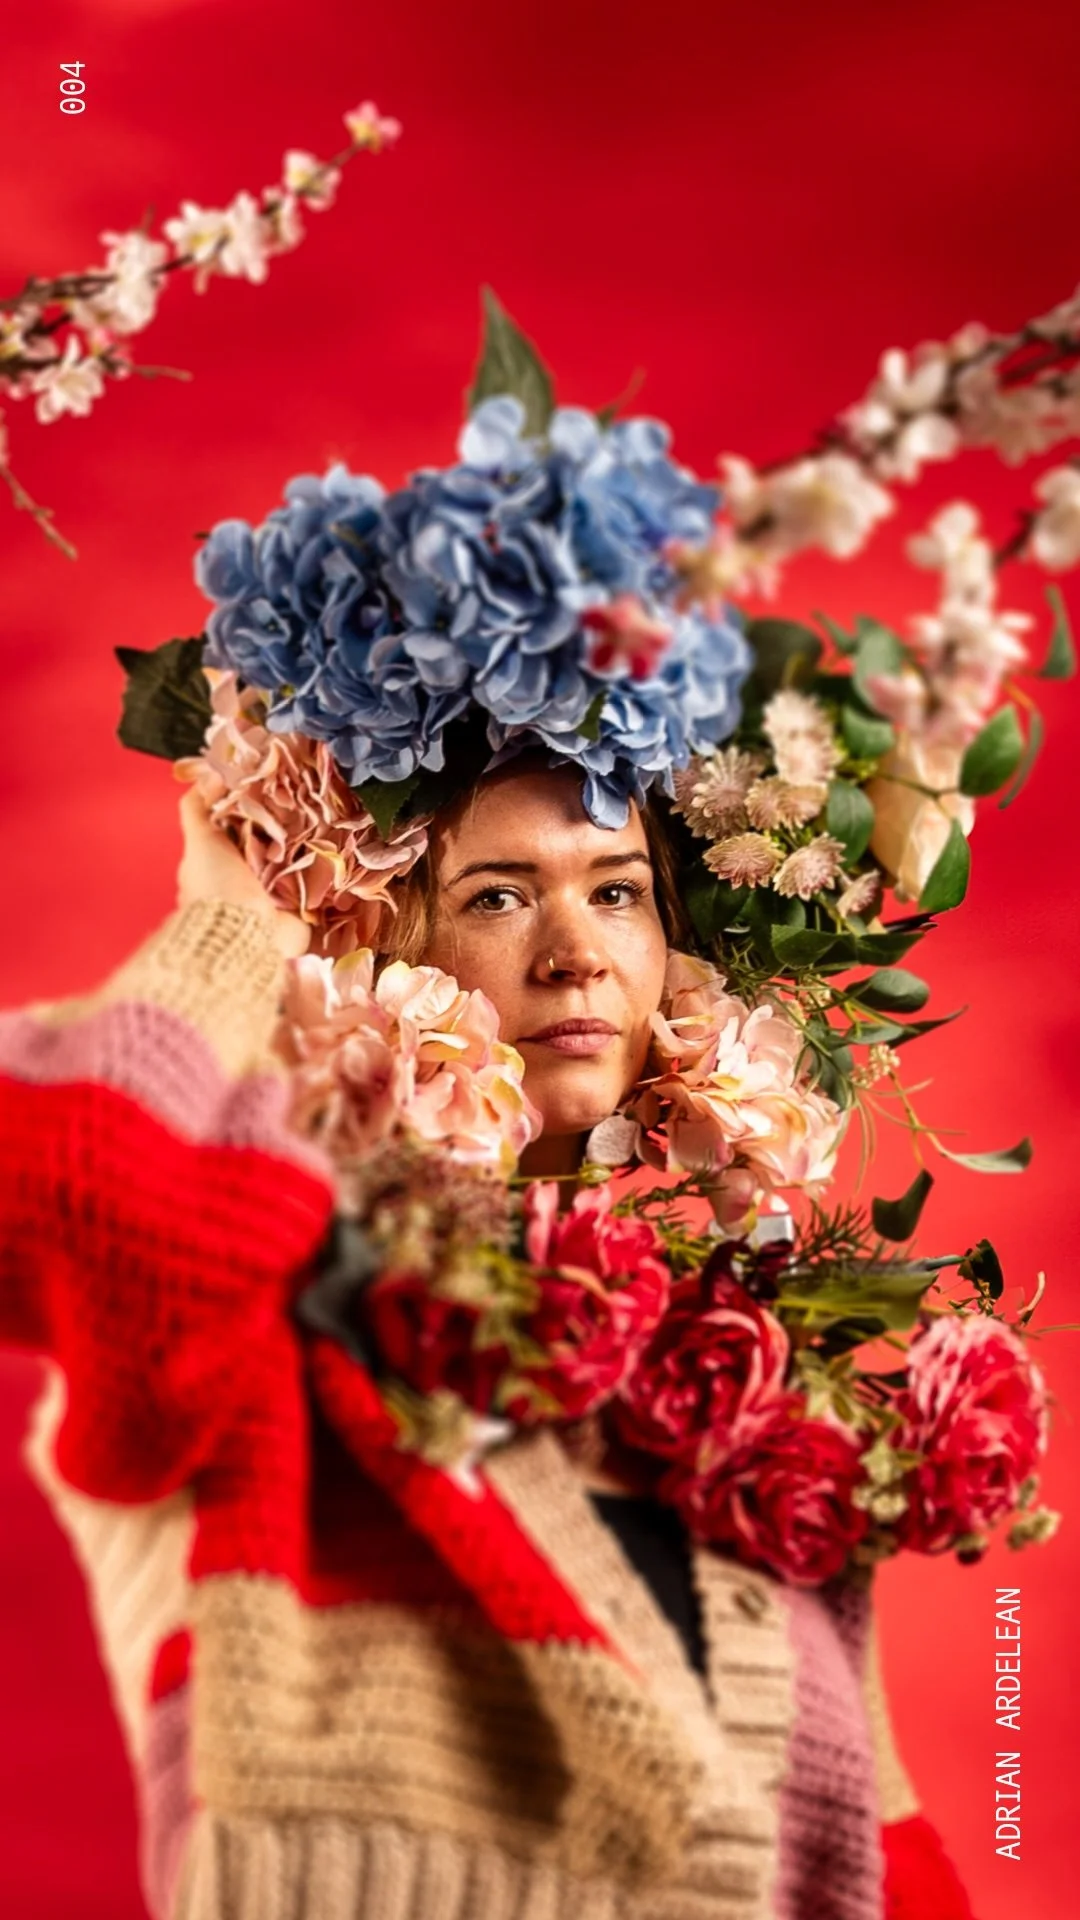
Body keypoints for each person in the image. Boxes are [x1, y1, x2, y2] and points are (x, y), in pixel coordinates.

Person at [0, 755, 976, 1920]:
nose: (577, 954)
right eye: (497, 897)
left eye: (616, 892)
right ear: (383, 953)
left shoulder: (737, 1379)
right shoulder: (251, 1296)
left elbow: (883, 1849)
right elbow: (71, 1174)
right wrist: (231, 923)